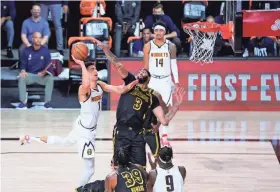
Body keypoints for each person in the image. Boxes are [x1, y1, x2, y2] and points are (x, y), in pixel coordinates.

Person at [20, 56, 139, 187]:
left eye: (95, 68)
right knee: (90, 170)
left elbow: (120, 89)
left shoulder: (100, 85)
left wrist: (133, 84)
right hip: (86, 133)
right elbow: (86, 84)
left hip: (82, 125)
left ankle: (30, 138)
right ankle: (78, 190)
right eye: (92, 69)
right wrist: (82, 64)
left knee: (65, 142)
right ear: (86, 73)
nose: (96, 71)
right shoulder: (83, 90)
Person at [96, 39, 185, 169]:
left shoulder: (152, 96)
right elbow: (117, 64)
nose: (141, 72)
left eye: (144, 72)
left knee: (141, 169)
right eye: (140, 71)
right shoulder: (130, 82)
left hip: (138, 134)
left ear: (149, 78)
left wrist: (177, 104)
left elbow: (164, 121)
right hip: (122, 131)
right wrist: (106, 50)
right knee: (118, 168)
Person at [17, 32, 53, 109]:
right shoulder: (26, 50)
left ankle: (47, 102)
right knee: (21, 77)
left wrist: (45, 73)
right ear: (32, 39)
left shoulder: (46, 51)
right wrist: (23, 71)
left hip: (41, 76)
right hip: (30, 75)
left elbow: (49, 66)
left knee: (50, 78)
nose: (38, 39)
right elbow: (22, 64)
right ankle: (23, 102)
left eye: (40, 37)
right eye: (36, 37)